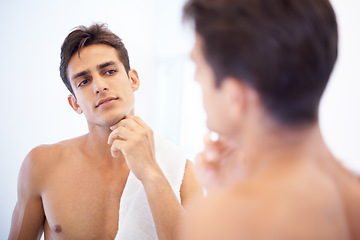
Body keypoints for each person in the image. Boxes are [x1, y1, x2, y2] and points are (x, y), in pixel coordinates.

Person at [181, 0, 360, 239]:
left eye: (199, 67)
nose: (196, 79)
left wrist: (225, 205)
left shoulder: (220, 221)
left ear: (236, 97)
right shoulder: (352, 194)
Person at [9, 23, 202, 240]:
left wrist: (151, 173)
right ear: (75, 104)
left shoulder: (183, 173)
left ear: (133, 79)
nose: (99, 86)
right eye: (84, 81)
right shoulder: (41, 165)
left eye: (109, 71)